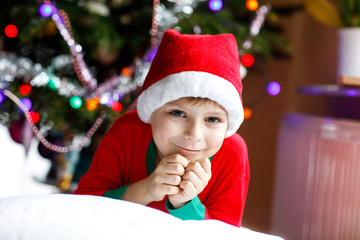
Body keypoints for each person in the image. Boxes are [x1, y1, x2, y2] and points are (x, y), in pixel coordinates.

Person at [74, 29, 250, 227]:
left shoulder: (233, 153)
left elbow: (226, 234)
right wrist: (147, 189)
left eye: (212, 119)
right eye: (177, 113)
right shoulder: (128, 130)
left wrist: (186, 203)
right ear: (152, 111)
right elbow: (82, 206)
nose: (194, 134)